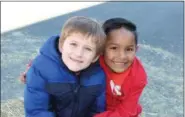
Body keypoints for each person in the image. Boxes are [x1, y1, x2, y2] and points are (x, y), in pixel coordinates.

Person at [20, 17, 147, 117]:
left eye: (129, 49)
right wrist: (33, 68)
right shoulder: (93, 62)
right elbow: (37, 109)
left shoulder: (101, 71)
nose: (121, 56)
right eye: (113, 48)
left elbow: (118, 110)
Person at [23, 16, 106, 117]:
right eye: (74, 44)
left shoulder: (98, 74)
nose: (79, 53)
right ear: (61, 45)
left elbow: (98, 110)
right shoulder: (40, 70)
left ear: (95, 57)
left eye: (88, 49)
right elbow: (37, 111)